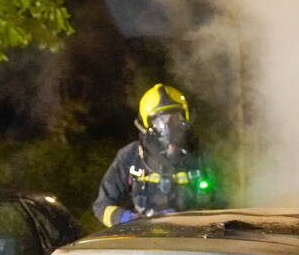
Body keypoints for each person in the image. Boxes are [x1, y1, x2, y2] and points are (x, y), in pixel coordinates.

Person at [92, 83, 214, 227]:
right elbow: (102, 206)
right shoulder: (131, 156)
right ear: (147, 124)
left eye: (174, 117)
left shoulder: (200, 156)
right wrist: (126, 219)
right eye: (160, 120)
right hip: (145, 241)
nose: (168, 126)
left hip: (192, 239)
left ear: (185, 117)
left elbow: (223, 204)